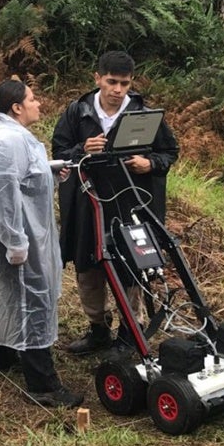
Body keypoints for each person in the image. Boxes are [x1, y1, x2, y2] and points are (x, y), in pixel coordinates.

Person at [0, 80, 83, 409]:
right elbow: (2, 195)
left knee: (3, 291)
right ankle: (43, 385)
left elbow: (21, 179)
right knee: (32, 298)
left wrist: (49, 174)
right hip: (8, 236)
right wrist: (15, 243)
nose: (38, 102)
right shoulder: (7, 141)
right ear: (16, 107)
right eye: (32, 98)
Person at [51, 51, 179, 354]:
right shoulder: (76, 112)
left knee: (132, 266)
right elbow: (59, 152)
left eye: (124, 83)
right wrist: (82, 149)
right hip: (87, 206)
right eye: (111, 82)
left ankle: (129, 332)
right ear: (98, 79)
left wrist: (149, 164)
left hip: (128, 207)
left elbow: (169, 152)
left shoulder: (144, 115)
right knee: (88, 266)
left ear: (131, 82)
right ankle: (97, 329)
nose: (117, 90)